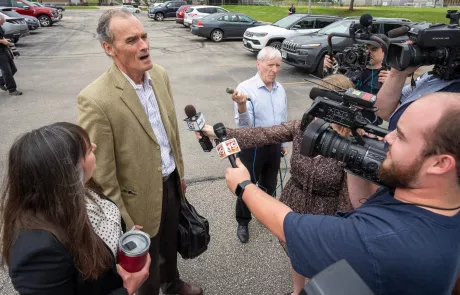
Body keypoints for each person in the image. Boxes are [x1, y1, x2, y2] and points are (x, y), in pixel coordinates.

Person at [224, 92, 460, 294]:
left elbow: (289, 227)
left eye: (401, 136)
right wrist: (355, 159)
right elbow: (362, 204)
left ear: (440, 164)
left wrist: (244, 185)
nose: (387, 138)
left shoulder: (376, 242)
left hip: (321, 215)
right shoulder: (427, 198)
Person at [78, 8, 202, 295]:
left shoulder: (159, 75)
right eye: (132, 40)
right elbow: (102, 175)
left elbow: (170, 133)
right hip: (135, 200)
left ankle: (172, 284)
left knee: (170, 240)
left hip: (170, 182)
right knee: (144, 261)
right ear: (109, 48)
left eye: (144, 36)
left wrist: (179, 174)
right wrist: (125, 220)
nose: (144, 45)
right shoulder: (95, 99)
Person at [200, 74, 355, 295]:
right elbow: (261, 134)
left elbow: (349, 196)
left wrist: (343, 229)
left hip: (326, 214)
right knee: (296, 253)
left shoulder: (354, 143)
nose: (316, 112)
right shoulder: (303, 127)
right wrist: (218, 133)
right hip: (294, 202)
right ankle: (296, 290)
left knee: (321, 265)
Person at [1, 122, 150, 295]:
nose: (94, 146)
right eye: (88, 151)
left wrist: (122, 237)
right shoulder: (38, 252)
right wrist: (128, 289)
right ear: (70, 171)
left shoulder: (78, 189)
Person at [231, 46, 287, 243]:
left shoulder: (280, 90)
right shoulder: (245, 89)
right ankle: (243, 221)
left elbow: (283, 119)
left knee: (269, 184)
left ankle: (265, 213)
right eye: (270, 65)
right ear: (259, 64)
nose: (275, 70)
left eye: (278, 66)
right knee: (247, 185)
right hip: (252, 147)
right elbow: (244, 126)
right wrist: (242, 105)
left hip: (274, 145)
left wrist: (283, 142)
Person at [323, 35, 390, 95]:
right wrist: (328, 68)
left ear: (385, 52)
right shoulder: (354, 66)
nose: (368, 53)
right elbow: (337, 87)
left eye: (373, 50)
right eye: (366, 49)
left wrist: (391, 85)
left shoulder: (387, 75)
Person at [0, 14, 21, 96]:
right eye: (1, 22)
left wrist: (4, 40)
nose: (2, 24)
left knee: (13, 69)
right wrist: (1, 41)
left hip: (4, 50)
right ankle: (12, 90)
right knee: (7, 71)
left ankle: (1, 81)